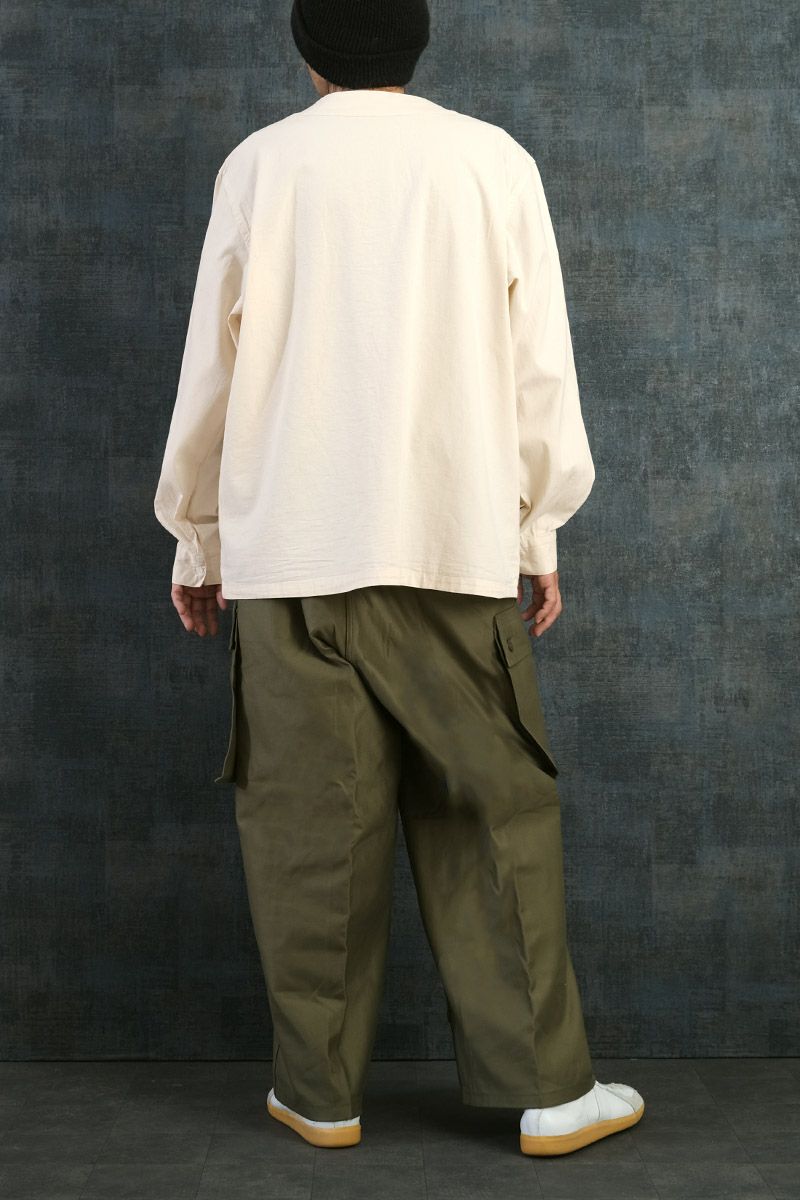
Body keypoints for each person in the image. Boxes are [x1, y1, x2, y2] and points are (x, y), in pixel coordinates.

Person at [153, 0, 645, 1158]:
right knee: (490, 810)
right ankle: (547, 1093)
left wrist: (198, 538)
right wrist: (535, 532)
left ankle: (318, 1094)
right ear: (416, 43)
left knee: (306, 825)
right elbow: (539, 368)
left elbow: (210, 366)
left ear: (306, 49)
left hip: (290, 552)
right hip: (449, 542)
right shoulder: (491, 162)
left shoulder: (259, 166)